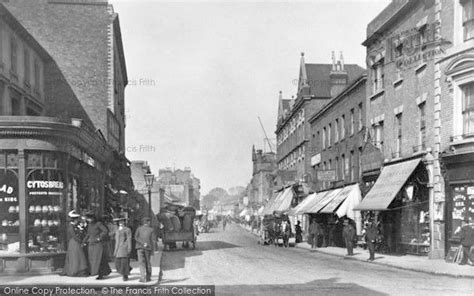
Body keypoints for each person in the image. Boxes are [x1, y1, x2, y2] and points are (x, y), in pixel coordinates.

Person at [61, 210, 89, 277]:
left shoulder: (75, 226)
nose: (77, 221)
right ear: (74, 220)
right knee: (76, 257)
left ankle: (79, 270)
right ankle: (75, 271)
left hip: (76, 243)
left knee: (78, 256)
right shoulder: (71, 226)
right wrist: (81, 242)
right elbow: (74, 236)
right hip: (74, 243)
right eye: (76, 219)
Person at [83, 213, 111, 279]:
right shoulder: (89, 225)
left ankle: (100, 274)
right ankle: (94, 271)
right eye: (88, 218)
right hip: (91, 244)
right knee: (92, 259)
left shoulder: (98, 223)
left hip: (98, 244)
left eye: (90, 218)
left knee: (99, 258)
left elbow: (105, 231)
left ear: (93, 218)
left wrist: (99, 237)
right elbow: (88, 234)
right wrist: (84, 241)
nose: (89, 220)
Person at [135, 217, 157, 282]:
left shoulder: (138, 229)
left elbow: (136, 237)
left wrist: (142, 243)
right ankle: (148, 277)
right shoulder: (151, 230)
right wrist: (153, 250)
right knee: (148, 262)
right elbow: (153, 240)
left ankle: (142, 277)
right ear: (148, 222)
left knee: (141, 262)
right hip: (148, 248)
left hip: (139, 247)